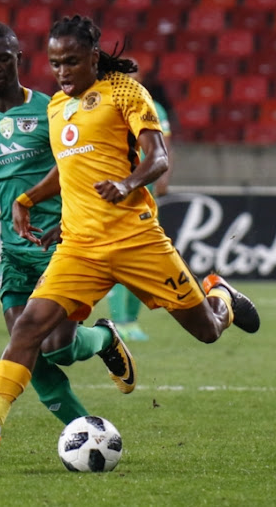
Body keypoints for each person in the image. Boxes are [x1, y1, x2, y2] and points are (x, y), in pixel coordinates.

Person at [0, 15, 260, 458]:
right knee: (30, 329)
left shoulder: (125, 92)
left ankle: (220, 295)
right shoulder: (55, 108)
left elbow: (158, 157)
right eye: (55, 64)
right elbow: (68, 168)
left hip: (135, 240)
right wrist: (28, 197)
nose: (63, 73)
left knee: (207, 331)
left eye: (71, 62)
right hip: (80, 247)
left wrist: (128, 185)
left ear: (92, 57)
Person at [0, 21, 136, 429]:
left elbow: (80, 169)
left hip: (61, 248)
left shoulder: (53, 110)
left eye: (2, 58)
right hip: (14, 257)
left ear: (18, 58)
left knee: (59, 348)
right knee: (27, 350)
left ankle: (103, 338)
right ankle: (84, 431)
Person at [106, 63, 175, 342]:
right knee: (118, 255)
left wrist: (163, 178)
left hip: (143, 191)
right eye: (124, 78)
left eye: (133, 77)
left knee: (140, 256)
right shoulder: (106, 106)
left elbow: (163, 147)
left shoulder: (153, 108)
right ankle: (119, 319)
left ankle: (130, 319)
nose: (129, 82)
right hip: (115, 191)